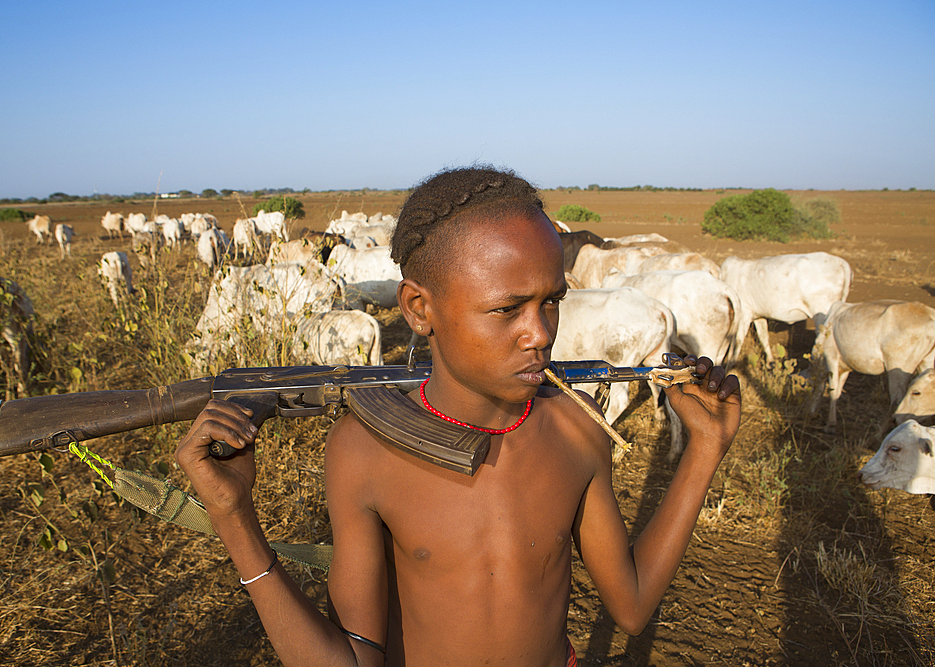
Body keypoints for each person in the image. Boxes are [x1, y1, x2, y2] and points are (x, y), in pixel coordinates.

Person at [175, 166, 742, 666]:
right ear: (420, 309)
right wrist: (235, 519)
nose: (540, 334)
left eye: (551, 300)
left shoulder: (576, 427)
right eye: (506, 309)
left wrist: (705, 450)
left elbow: (634, 606)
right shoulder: (364, 450)